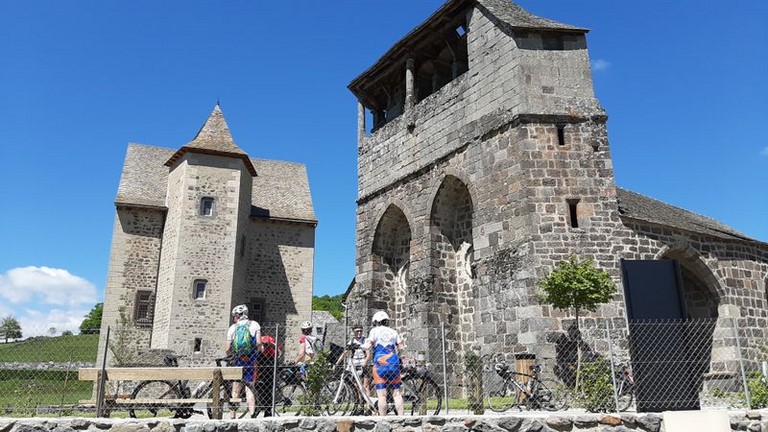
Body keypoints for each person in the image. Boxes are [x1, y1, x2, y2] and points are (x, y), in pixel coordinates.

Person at [361, 311, 404, 416]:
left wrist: (359, 346)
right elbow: (401, 347)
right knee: (397, 393)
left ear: (376, 321)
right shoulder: (394, 332)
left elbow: (368, 346)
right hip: (393, 364)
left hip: (380, 365)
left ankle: (383, 419)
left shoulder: (374, 331)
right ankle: (401, 417)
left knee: (382, 395)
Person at [225, 304, 262, 419]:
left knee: (236, 388)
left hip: (238, 361)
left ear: (236, 316)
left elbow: (227, 349)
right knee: (249, 388)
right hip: (251, 360)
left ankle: (232, 416)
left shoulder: (233, 328)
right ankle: (252, 414)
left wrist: (232, 356)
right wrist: (258, 352)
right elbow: (258, 343)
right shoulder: (254, 324)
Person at [337, 324, 370, 412]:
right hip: (354, 364)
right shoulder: (351, 341)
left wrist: (365, 363)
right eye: (357, 331)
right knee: (357, 387)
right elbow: (345, 352)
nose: (359, 333)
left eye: (360, 331)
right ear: (354, 332)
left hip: (362, 363)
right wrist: (337, 363)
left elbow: (368, 354)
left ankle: (368, 406)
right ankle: (360, 405)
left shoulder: (365, 340)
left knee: (365, 386)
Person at [255, 335, 280, 417]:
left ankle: (267, 410)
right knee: (265, 389)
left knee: (267, 389)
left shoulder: (266, 341)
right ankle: (266, 409)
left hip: (267, 366)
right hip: (266, 366)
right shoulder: (264, 340)